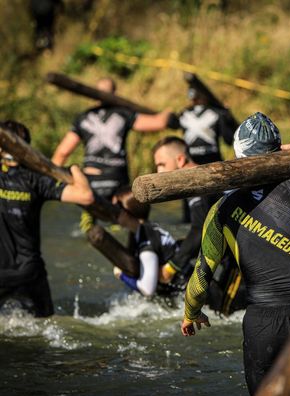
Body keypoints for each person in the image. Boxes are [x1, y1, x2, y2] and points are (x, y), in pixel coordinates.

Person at [181, 112, 290, 396]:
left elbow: (201, 275)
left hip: (262, 327)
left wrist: (191, 312)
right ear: (280, 152)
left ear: (239, 158)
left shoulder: (221, 210)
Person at [52, 77, 173, 231]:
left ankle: (88, 221)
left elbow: (62, 152)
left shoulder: (83, 118)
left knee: (89, 224)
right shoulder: (124, 114)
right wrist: (168, 112)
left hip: (90, 180)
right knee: (120, 224)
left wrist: (49, 181)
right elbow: (159, 123)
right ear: (114, 93)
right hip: (117, 179)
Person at [0, 120, 94, 317]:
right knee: (45, 325)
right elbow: (85, 195)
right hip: (29, 273)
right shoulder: (35, 178)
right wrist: (74, 169)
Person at [153, 136, 246, 315]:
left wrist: (171, 267)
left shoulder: (199, 183)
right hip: (232, 254)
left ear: (180, 160)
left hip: (241, 258)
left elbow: (199, 231)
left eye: (161, 164)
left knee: (226, 314)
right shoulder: (203, 175)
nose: (158, 171)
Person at [110, 186, 183, 298]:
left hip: (190, 298)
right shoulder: (147, 229)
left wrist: (121, 275)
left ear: (127, 212)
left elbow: (148, 290)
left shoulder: (147, 245)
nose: (113, 212)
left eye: (115, 208)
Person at [173, 87, 238, 165]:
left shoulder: (183, 114)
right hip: (214, 162)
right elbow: (229, 140)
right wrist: (227, 116)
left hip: (191, 163)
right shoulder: (217, 112)